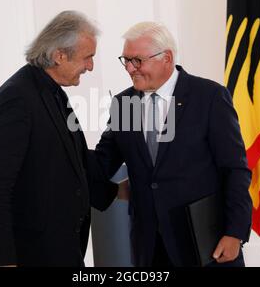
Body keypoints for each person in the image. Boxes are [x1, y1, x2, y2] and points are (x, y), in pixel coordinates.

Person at [94, 22, 252, 267]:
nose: (129, 68)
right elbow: (102, 162)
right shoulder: (123, 103)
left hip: (206, 242)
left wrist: (235, 233)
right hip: (150, 247)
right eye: (125, 60)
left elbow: (235, 169)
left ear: (166, 58)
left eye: (137, 60)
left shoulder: (209, 97)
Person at [0, 11, 119, 267]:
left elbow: (76, 159)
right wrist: (2, 261)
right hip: (29, 255)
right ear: (59, 55)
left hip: (60, 251)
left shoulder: (53, 92)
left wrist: (118, 191)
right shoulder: (17, 97)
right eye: (87, 57)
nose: (90, 66)